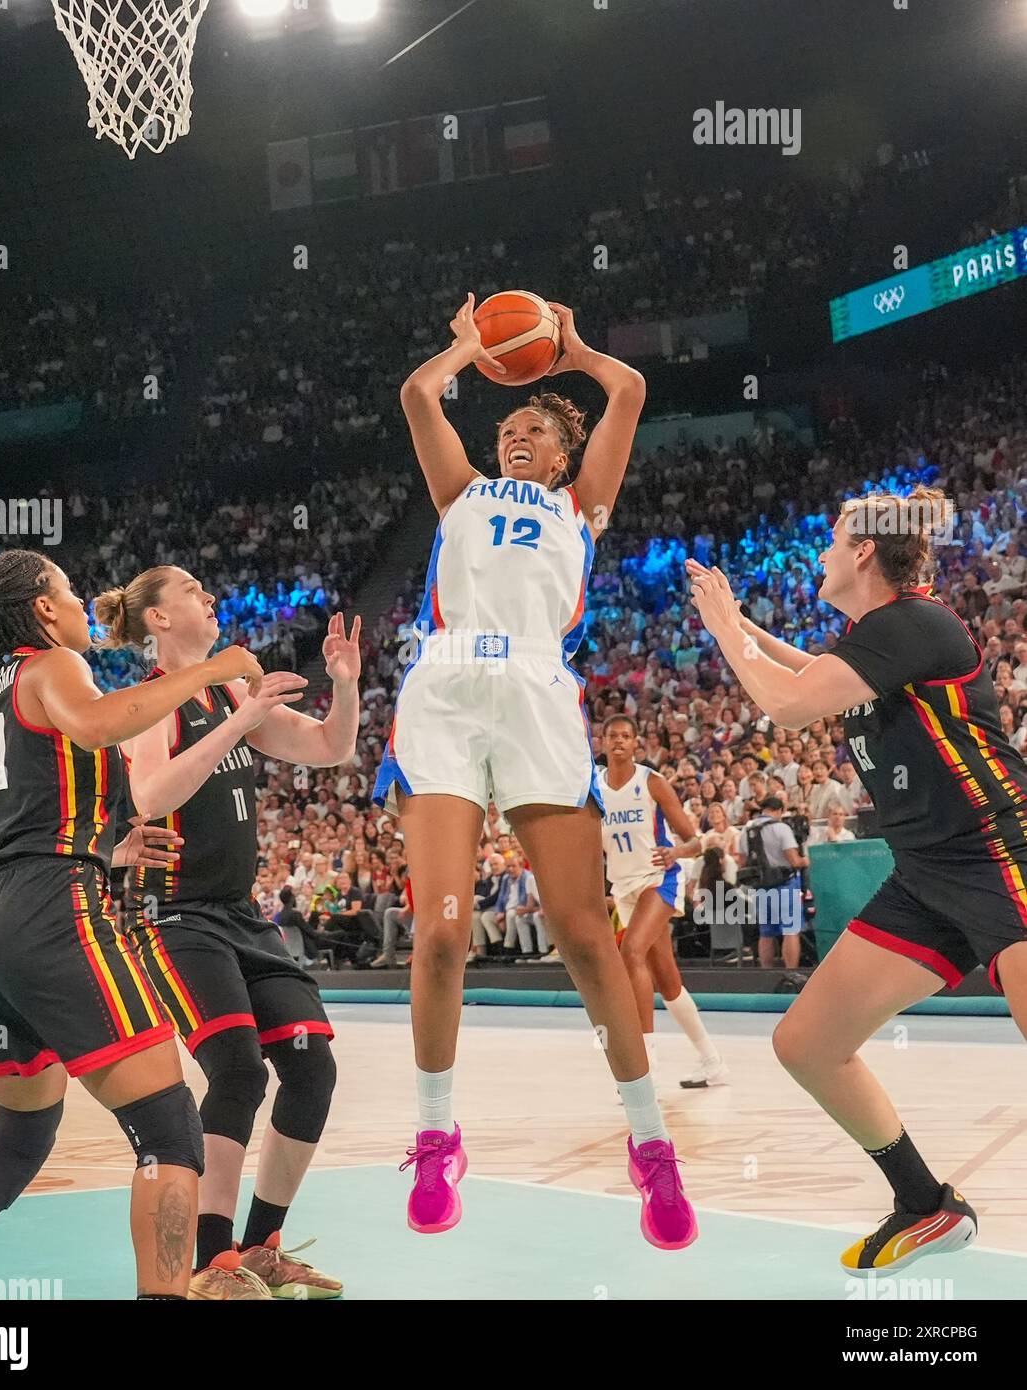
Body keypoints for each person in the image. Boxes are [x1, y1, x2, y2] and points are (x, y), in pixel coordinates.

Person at [373, 294, 695, 1248]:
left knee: (584, 937)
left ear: (561, 454)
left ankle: (650, 1147)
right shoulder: (459, 493)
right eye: (507, 427)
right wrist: (468, 350)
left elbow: (628, 389)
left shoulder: (581, 506)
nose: (513, 436)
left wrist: (576, 348)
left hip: (539, 692)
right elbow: (416, 395)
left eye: (531, 430)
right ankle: (436, 1135)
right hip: (445, 685)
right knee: (438, 935)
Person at [0, 548, 266, 1303]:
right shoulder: (53, 665)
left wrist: (102, 841)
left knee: (21, 1136)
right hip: (50, 913)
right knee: (169, 1130)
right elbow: (99, 727)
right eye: (66, 591)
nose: (77, 605)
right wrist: (206, 670)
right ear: (41, 608)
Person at [686, 484, 1027, 1277]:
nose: (823, 552)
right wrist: (738, 626)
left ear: (865, 551)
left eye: (834, 539)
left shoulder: (913, 621)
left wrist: (722, 632)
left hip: (1001, 853)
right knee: (807, 1042)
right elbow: (808, 670)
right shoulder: (875, 642)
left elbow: (790, 703)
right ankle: (926, 1204)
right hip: (927, 876)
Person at [97, 566, 359, 1298]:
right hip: (173, 914)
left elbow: (329, 748)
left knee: (311, 1065)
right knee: (239, 1070)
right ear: (157, 618)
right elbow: (148, 795)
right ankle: (214, 1264)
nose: (209, 597)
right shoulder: (154, 702)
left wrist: (347, 686)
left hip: (242, 915)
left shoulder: (228, 694)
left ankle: (263, 1245)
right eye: (190, 590)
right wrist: (244, 720)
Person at [599, 714, 728, 1088]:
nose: (619, 741)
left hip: (660, 878)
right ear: (603, 741)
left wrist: (677, 853)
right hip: (623, 886)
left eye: (626, 736)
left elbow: (694, 840)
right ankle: (711, 1060)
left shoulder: (652, 782)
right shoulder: (594, 787)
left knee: (631, 952)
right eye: (613, 735)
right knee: (668, 982)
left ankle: (645, 1065)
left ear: (637, 743)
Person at [735, 797, 810, 969]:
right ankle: (791, 971)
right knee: (790, 930)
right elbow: (794, 860)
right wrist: (806, 861)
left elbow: (742, 861)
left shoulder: (747, 830)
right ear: (779, 810)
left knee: (766, 933)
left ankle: (766, 972)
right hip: (785, 884)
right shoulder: (781, 828)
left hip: (760, 887)